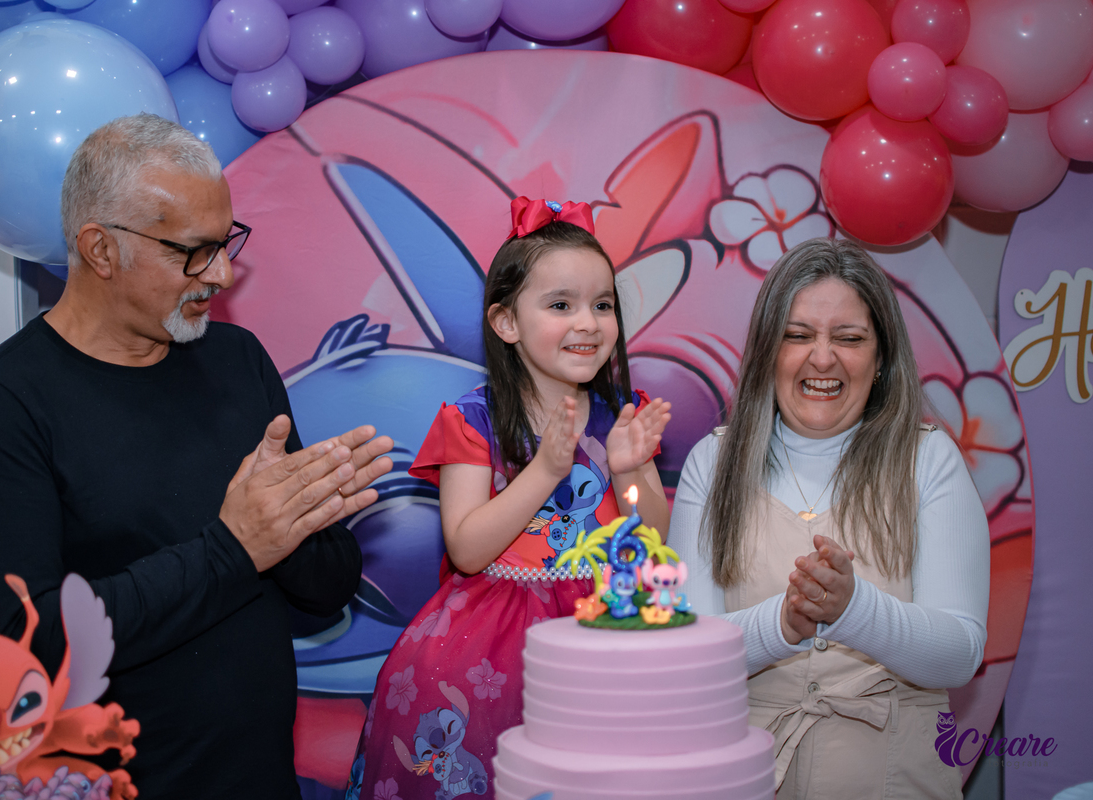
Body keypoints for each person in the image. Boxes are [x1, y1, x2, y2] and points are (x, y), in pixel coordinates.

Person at [0, 113, 394, 797]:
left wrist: (293, 527)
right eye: (194, 250)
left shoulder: (238, 360)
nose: (224, 272)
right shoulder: (2, 408)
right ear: (100, 250)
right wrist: (236, 548)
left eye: (228, 241)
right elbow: (22, 654)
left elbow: (327, 589)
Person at [344, 197, 671, 800]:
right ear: (506, 323)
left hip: (601, 633)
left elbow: (651, 539)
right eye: (561, 305)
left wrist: (627, 471)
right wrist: (545, 469)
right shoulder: (473, 420)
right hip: (490, 644)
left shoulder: (623, 416)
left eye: (603, 305)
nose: (588, 322)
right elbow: (467, 548)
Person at [668, 237, 990, 799]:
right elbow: (687, 660)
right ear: (767, 350)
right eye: (797, 336)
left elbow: (959, 652)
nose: (823, 358)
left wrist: (853, 609)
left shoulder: (929, 460)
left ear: (882, 356)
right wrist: (788, 622)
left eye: (849, 338)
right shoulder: (712, 464)